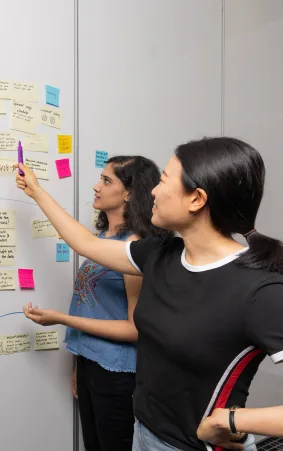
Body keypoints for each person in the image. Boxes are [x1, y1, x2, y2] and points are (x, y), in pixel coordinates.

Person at [16, 137, 283, 451]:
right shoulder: (160, 254)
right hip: (144, 433)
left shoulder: (260, 290)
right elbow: (86, 244)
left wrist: (233, 422)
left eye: (163, 181)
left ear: (196, 199)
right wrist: (35, 191)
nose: (153, 191)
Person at [23, 156, 171, 451]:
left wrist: (63, 320)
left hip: (117, 374)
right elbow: (97, 306)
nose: (96, 186)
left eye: (106, 181)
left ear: (129, 192)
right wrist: (81, 363)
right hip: (93, 365)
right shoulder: (105, 239)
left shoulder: (134, 247)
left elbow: (134, 328)